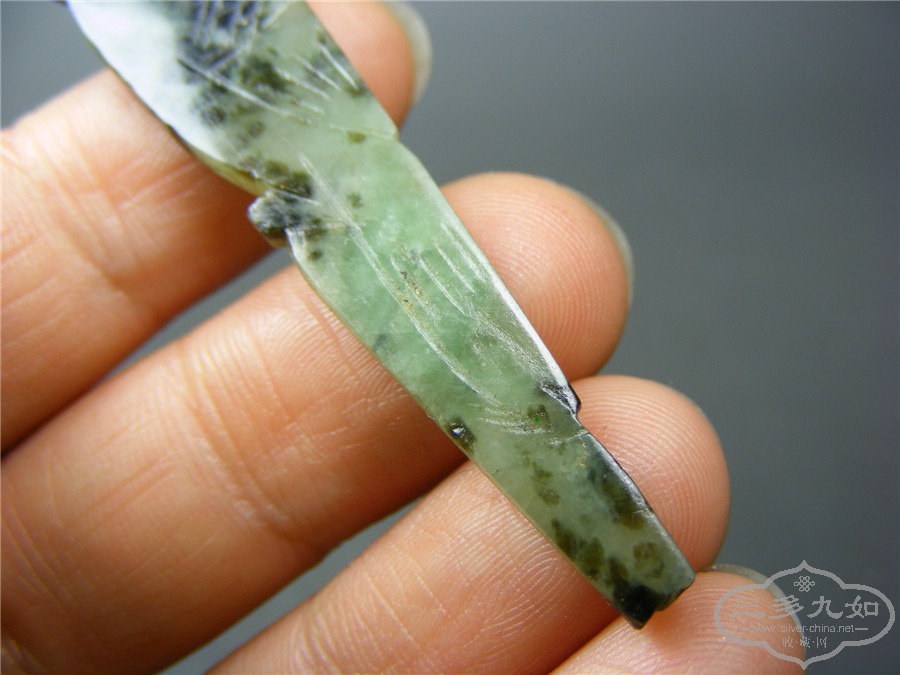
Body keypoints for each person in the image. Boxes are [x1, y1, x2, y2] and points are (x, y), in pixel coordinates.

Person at [1, 3, 803, 672]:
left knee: (511, 385)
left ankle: (632, 560)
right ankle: (631, 561)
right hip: (329, 199)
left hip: (357, 190)